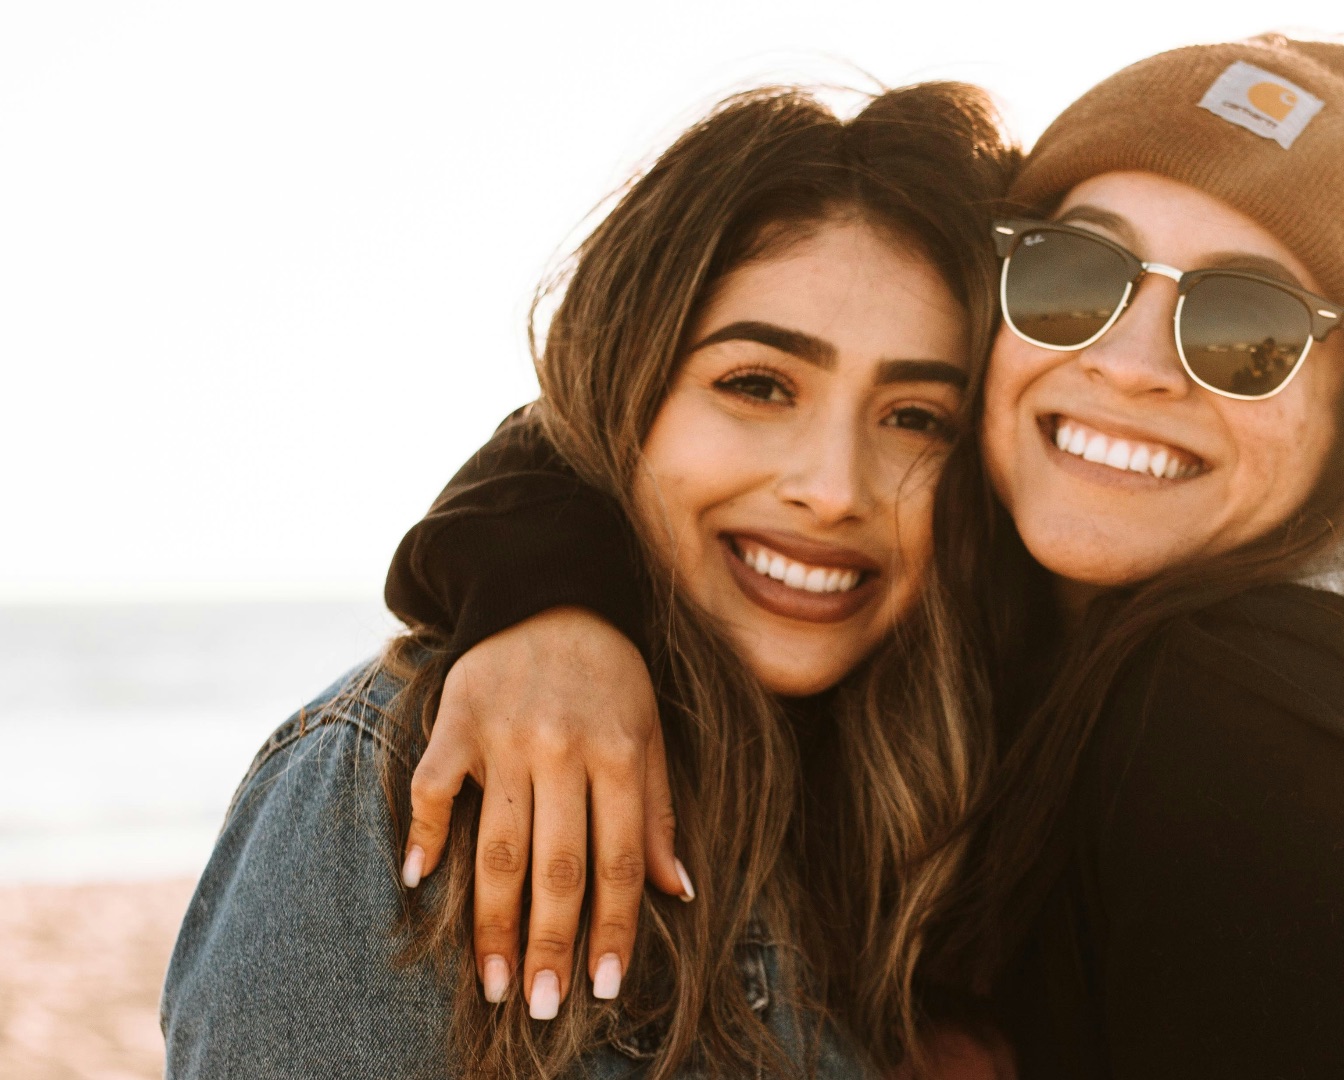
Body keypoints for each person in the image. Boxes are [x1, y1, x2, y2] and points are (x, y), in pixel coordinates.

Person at [386, 33, 1344, 1078]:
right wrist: (553, 600)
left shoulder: (1260, 714)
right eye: (1074, 277)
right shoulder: (1022, 589)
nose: (1130, 363)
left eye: (1249, 326)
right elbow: (646, 403)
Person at [160, 82, 1020, 1080]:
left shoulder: (936, 801)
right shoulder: (409, 780)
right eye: (756, 385)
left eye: (917, 417)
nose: (833, 490)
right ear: (624, 395)